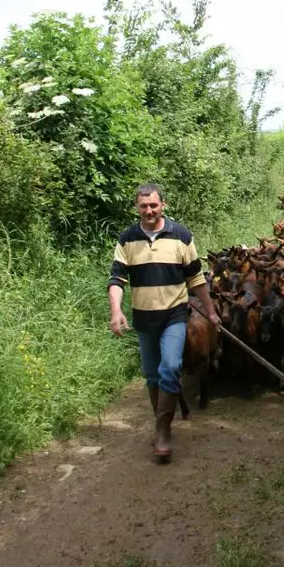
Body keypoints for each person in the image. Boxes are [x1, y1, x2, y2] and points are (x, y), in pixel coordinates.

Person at [107, 183, 220, 461]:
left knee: (170, 367)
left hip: (174, 315)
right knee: (152, 375)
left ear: (163, 205)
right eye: (144, 206)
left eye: (153, 205)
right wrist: (116, 311)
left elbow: (196, 278)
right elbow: (117, 279)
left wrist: (211, 311)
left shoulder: (181, 235)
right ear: (137, 208)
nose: (149, 210)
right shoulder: (127, 239)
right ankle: (162, 424)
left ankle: (162, 430)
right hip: (144, 319)